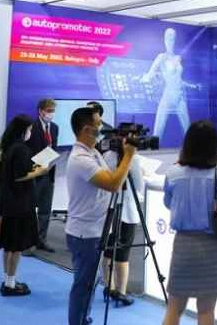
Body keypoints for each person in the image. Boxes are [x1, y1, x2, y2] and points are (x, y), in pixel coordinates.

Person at [66, 106, 137, 325]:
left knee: (90, 282)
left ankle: (83, 319)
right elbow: (114, 184)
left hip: (94, 230)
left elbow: (112, 176)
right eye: (98, 124)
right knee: (83, 284)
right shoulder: (81, 159)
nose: (102, 127)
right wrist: (129, 155)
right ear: (86, 130)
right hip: (84, 233)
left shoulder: (93, 152)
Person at [162, 120, 217, 325]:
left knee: (174, 307)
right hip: (213, 246)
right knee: (206, 310)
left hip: (184, 247)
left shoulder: (173, 173)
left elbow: (168, 203)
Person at [0, 114, 50, 296]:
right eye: (29, 129)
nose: (30, 132)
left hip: (9, 202)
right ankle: (10, 284)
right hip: (20, 203)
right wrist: (41, 171)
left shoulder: (8, 147)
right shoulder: (21, 149)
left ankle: (8, 279)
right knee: (16, 246)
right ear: (23, 130)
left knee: (8, 244)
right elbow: (20, 176)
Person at [101, 147, 144, 307]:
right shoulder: (133, 158)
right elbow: (139, 186)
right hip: (127, 211)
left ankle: (109, 287)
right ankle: (121, 292)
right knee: (123, 254)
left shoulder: (107, 155)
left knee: (107, 250)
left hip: (109, 209)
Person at [141, 28, 200, 138]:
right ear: (164, 39)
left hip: (180, 96)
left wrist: (193, 86)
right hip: (168, 96)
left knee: (188, 130)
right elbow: (150, 74)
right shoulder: (161, 57)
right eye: (168, 37)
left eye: (172, 38)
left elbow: (179, 80)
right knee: (158, 132)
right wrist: (145, 78)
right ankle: (153, 148)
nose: (170, 41)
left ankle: (192, 148)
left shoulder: (178, 58)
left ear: (175, 39)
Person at [26, 99, 59, 253]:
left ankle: (41, 240)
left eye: (53, 110)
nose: (51, 113)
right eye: (49, 110)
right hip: (35, 173)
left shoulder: (55, 128)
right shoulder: (32, 128)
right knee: (30, 209)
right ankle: (29, 242)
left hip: (49, 173)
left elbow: (54, 149)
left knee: (45, 210)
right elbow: (27, 151)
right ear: (40, 111)